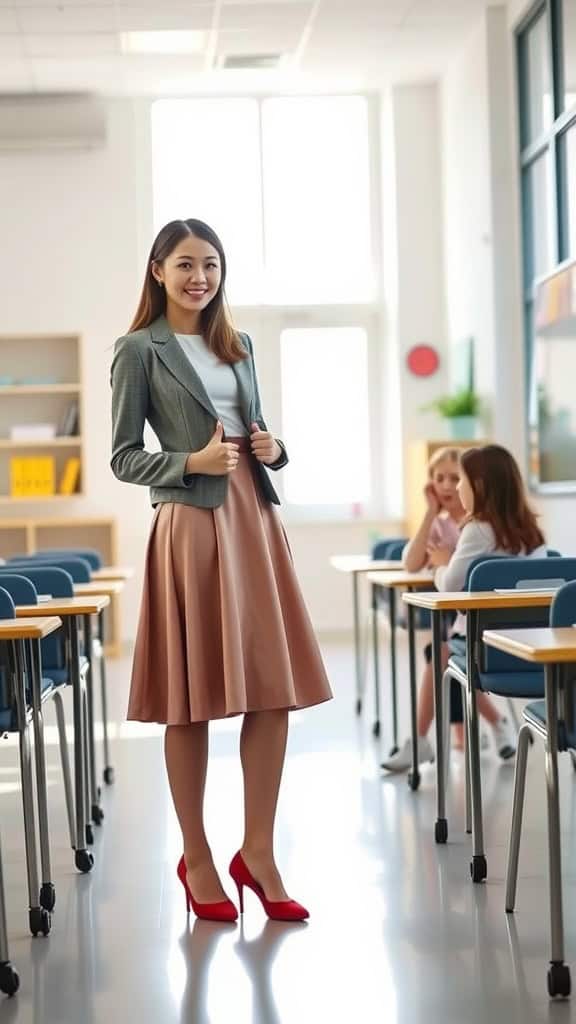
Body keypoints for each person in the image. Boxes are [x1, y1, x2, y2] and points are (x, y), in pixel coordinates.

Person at [110, 218, 332, 923]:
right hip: (191, 524)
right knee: (192, 696)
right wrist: (189, 463)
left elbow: (254, 425)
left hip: (255, 521)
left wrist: (272, 446)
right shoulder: (138, 350)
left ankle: (257, 852)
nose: (199, 277)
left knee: (274, 688)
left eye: (210, 264)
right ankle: (198, 856)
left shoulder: (238, 345)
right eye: (185, 265)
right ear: (157, 272)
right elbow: (122, 456)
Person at [383, 444, 538, 772]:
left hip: (487, 651)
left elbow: (449, 584)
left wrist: (442, 563)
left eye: (460, 480)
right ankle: (490, 727)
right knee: (441, 653)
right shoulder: (533, 533)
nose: (453, 487)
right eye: (443, 479)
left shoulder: (476, 528)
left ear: (478, 488)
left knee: (440, 654)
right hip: (532, 651)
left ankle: (420, 741)